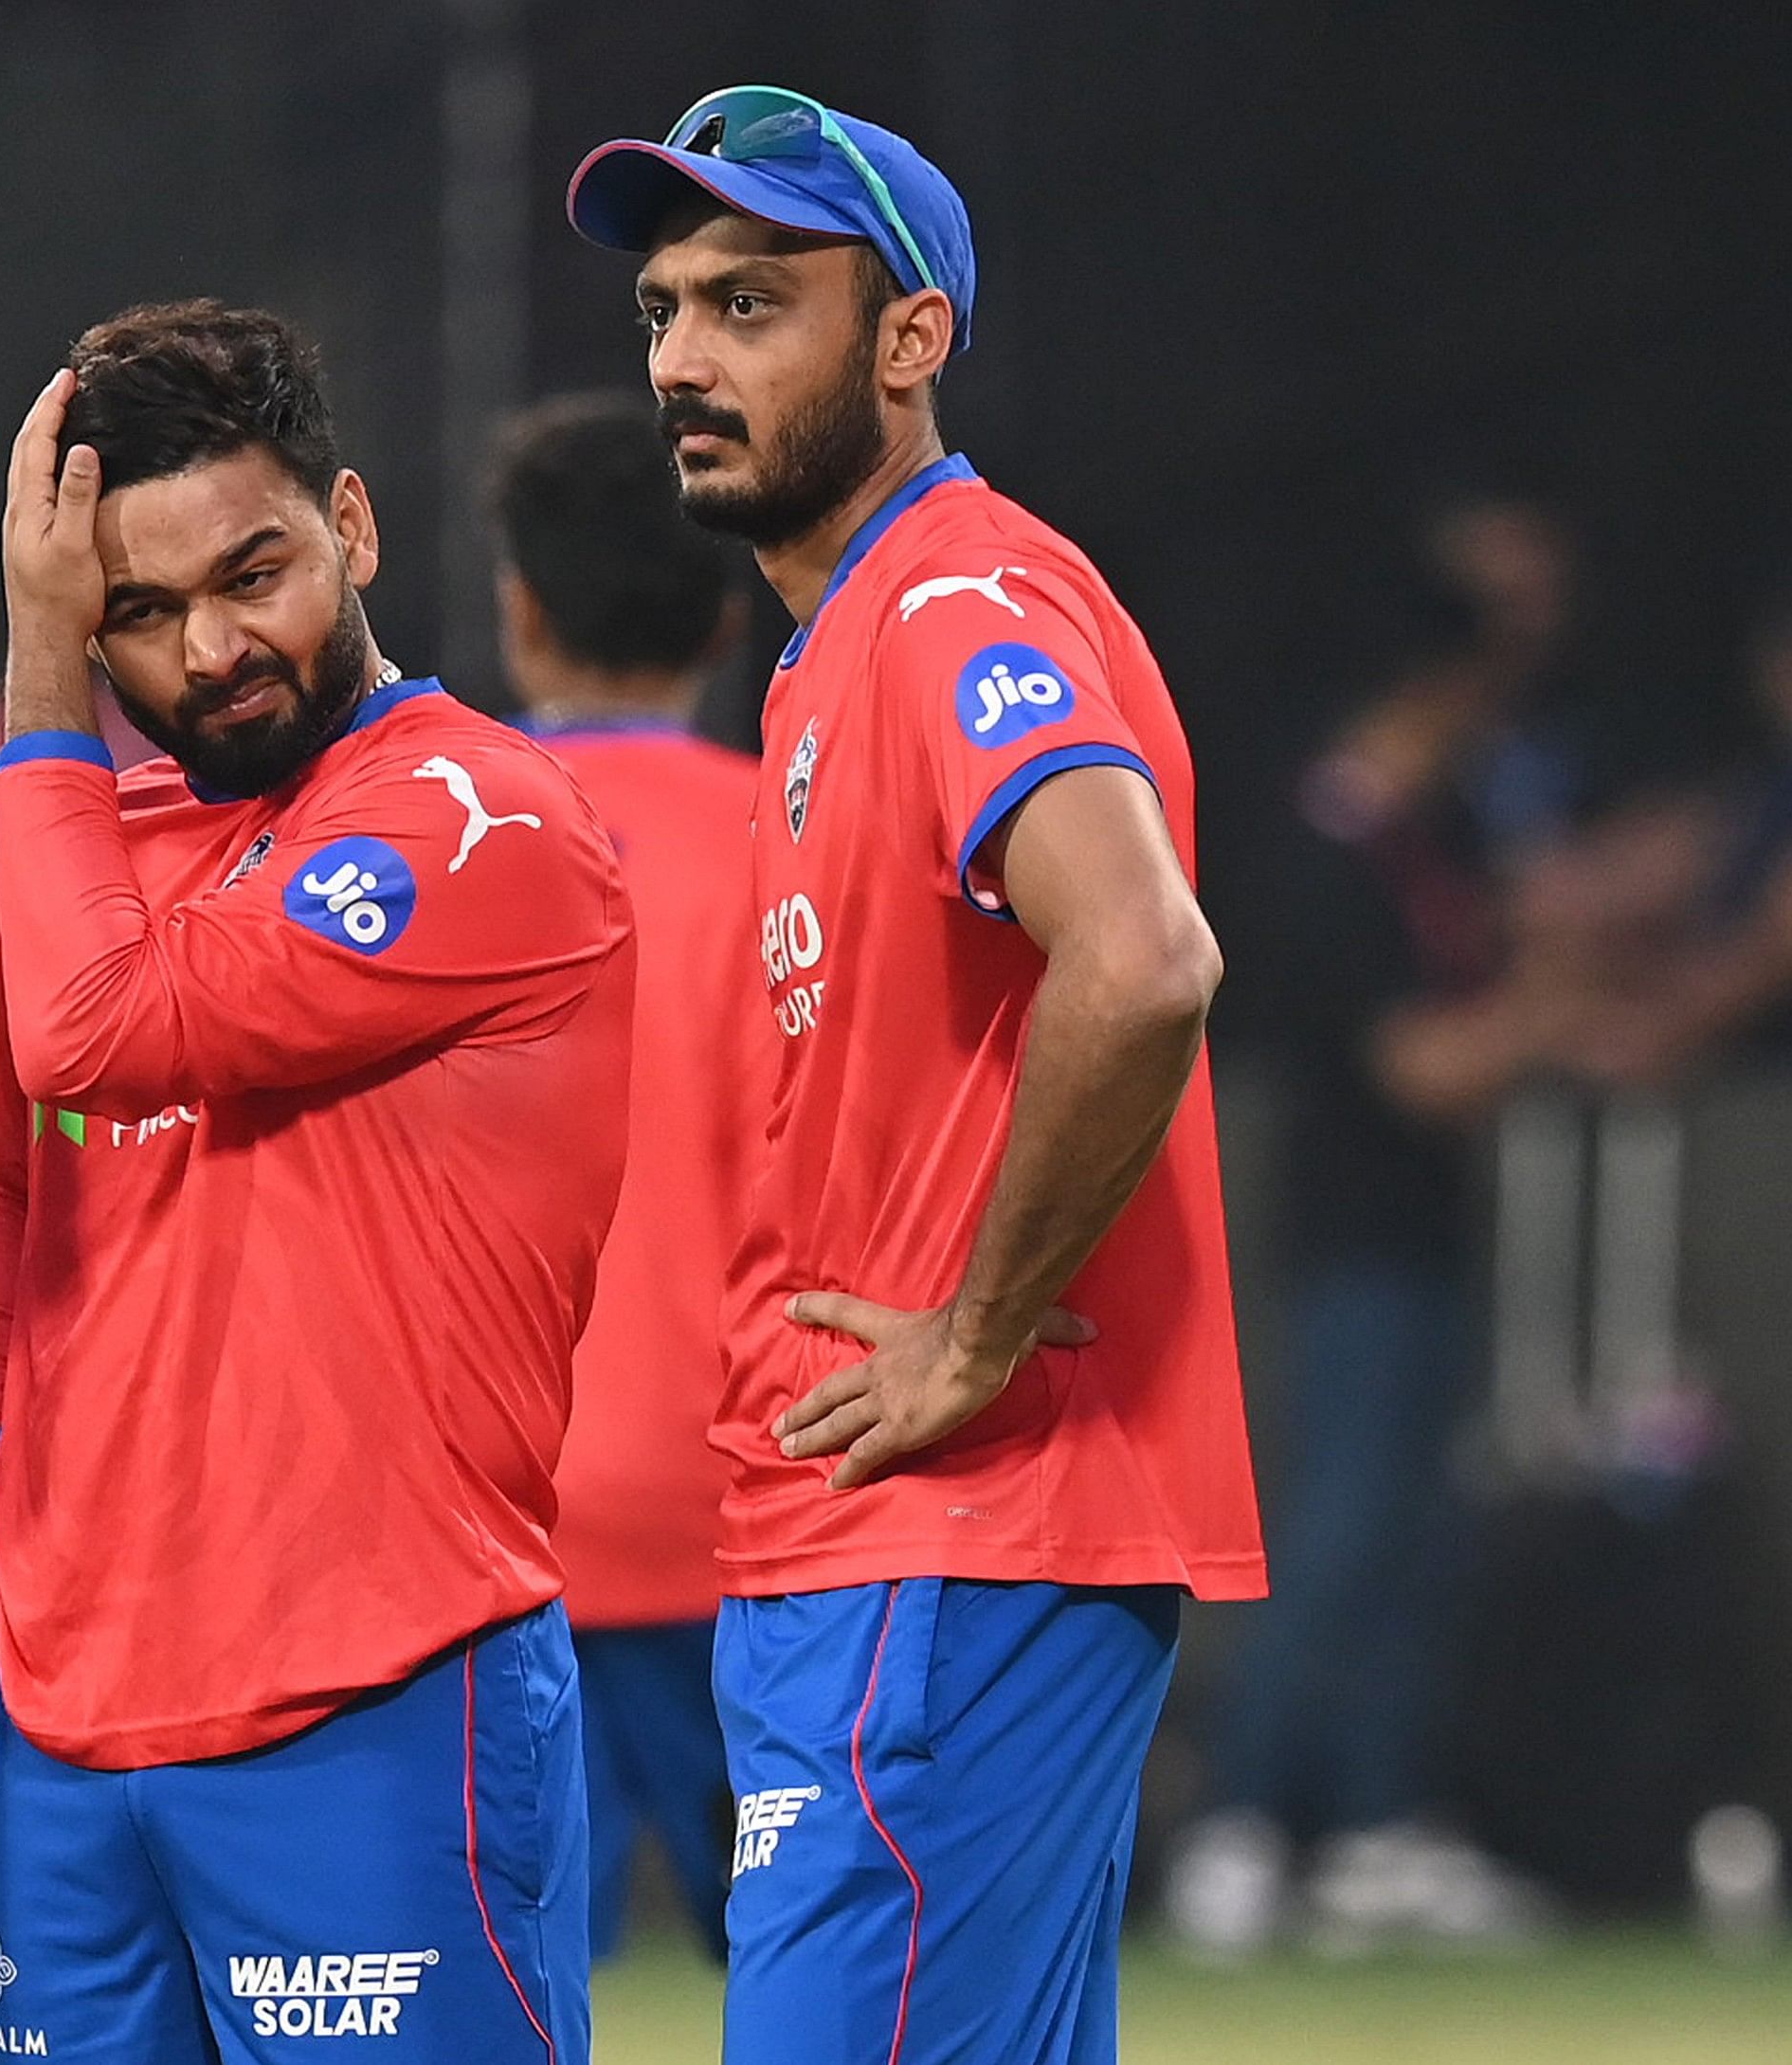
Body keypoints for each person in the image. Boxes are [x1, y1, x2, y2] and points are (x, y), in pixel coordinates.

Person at [570, 87, 1263, 2062]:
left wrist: (971, 1335)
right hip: (905, 1549)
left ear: (906, 339)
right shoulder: (830, 648)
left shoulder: (954, 603)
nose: (686, 358)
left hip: (956, 1533)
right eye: (661, 309)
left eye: (750, 303)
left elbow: (1139, 962)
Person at [0, 300, 636, 2063]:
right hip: (68, 1728)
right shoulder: (99, 855)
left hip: (376, 1700)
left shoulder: (474, 818)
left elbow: (98, 1033)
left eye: (253, 571)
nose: (213, 649)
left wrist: (40, 668)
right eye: (136, 617)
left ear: (354, 522)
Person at [1167, 503, 1586, 1958]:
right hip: (1349, 1243)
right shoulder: (1328, 841)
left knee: (1419, 1539)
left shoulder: (1446, 826)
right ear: (1436, 676)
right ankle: (1239, 1825)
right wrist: (1572, 1005)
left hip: (1429, 1239)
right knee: (1339, 1535)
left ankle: (1374, 1826)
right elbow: (1417, 1065)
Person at [490, 390, 758, 1964]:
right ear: (730, 614)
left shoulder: (407, 845)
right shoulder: (802, 848)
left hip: (487, 1530)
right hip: (754, 1526)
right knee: (824, 1990)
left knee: (491, 2001)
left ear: (519, 609)